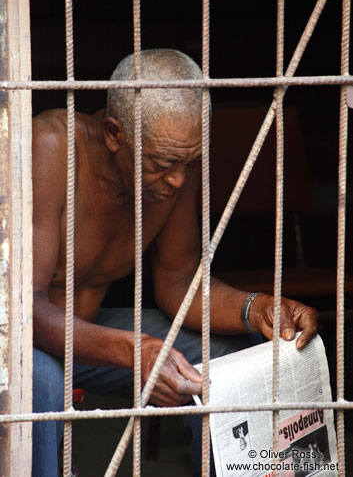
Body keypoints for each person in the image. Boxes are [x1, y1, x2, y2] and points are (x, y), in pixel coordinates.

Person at [32, 49, 318, 476]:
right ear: (114, 134)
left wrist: (255, 307)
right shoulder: (51, 148)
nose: (180, 180)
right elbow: (23, 310)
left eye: (190, 162)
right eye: (164, 163)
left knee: (233, 356)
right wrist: (136, 350)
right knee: (41, 382)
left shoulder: (174, 166)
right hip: (27, 343)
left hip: (91, 336)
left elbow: (179, 281)